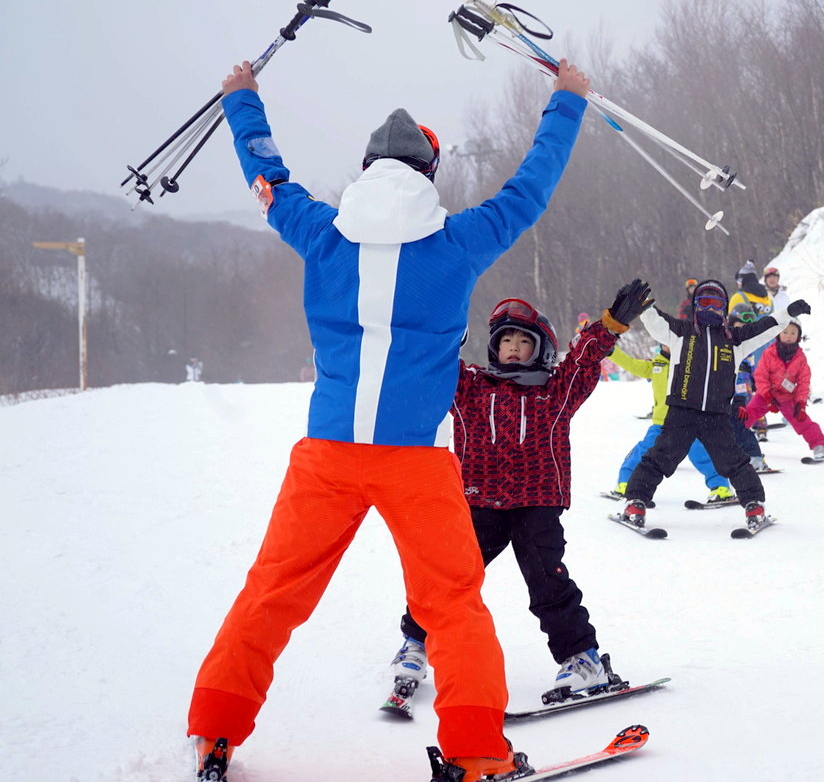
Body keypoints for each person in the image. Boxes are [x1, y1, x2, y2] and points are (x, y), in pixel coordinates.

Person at [188, 57, 592, 782]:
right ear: (427, 174)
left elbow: (266, 176)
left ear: (369, 169)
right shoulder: (459, 240)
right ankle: (476, 751)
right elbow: (533, 185)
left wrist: (241, 98)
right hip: (416, 462)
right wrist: (566, 100)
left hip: (326, 456)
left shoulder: (320, 230)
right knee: (454, 606)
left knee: (271, 592)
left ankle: (215, 729)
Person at [390, 281, 653, 715]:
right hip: (478, 502)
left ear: (540, 349)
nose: (513, 347)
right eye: (506, 339)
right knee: (447, 576)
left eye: (523, 341)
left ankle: (583, 660)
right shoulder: (470, 388)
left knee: (547, 583)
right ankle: (414, 643)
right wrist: (435, 324)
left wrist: (609, 326)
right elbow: (434, 361)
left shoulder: (554, 392)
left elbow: (583, 363)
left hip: (537, 504)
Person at [619, 281, 810, 530]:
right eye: (705, 302)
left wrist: (787, 313)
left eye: (716, 303)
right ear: (696, 306)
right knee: (659, 457)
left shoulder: (735, 339)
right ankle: (635, 502)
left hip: (716, 415)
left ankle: (754, 505)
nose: (710, 308)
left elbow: (766, 327)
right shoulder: (680, 331)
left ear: (724, 308)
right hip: (681, 413)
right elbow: (656, 321)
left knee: (733, 460)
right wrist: (642, 306)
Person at [608, 342, 735, 504]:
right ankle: (625, 483)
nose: (669, 344)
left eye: (672, 340)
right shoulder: (655, 365)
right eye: (664, 341)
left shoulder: (691, 364)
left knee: (702, 453)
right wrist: (611, 352)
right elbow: (631, 364)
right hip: (661, 423)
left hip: (687, 422)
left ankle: (721, 487)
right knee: (644, 451)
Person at [741, 319, 824, 460]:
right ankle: (730, 443)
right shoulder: (769, 353)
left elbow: (803, 382)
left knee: (802, 420)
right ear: (778, 334)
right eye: (785, 332)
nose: (789, 336)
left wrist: (801, 403)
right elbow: (760, 375)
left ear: (798, 337)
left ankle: (819, 446)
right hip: (766, 395)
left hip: (787, 397)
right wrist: (767, 396)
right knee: (748, 414)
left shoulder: (800, 358)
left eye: (793, 333)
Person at [726, 305, 772, 473]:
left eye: (747, 328)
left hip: (741, 397)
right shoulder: (726, 344)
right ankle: (748, 457)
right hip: (725, 396)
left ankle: (755, 458)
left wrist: (756, 385)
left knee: (740, 429)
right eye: (739, 327)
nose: (743, 332)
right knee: (732, 430)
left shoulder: (748, 348)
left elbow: (752, 371)